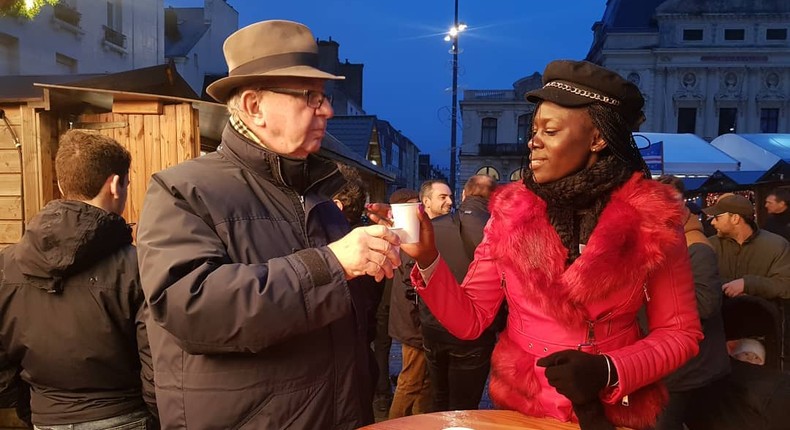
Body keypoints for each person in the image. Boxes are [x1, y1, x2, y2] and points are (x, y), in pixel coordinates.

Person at [385, 60, 703, 430]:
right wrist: (427, 259)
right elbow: (470, 321)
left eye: (549, 130)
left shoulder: (653, 217)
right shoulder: (510, 211)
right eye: (532, 129)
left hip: (612, 410)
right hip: (523, 408)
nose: (532, 141)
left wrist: (609, 369)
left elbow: (681, 333)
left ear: (597, 138)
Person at [135, 20, 400, 429]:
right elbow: (191, 308)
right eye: (310, 96)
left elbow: (339, 314)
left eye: (324, 97)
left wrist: (377, 258)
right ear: (254, 107)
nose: (326, 109)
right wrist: (332, 263)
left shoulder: (319, 196)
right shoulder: (182, 190)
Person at [0, 130, 157, 429]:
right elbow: (156, 362)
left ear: (61, 184)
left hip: (47, 419)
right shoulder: (137, 267)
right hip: (126, 416)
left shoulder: (5, 266)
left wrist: (36, 407)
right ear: (115, 185)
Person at [654, 175, 731, 430]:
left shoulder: (696, 246)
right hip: (668, 362)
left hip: (688, 367)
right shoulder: (665, 244)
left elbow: (707, 304)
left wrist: (653, 293)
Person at [421, 175, 499, 412]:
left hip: (433, 328)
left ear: (464, 195)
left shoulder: (431, 227)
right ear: (495, 200)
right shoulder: (500, 232)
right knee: (464, 407)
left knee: (438, 398)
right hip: (475, 336)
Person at [387, 188, 432, 418]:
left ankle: (419, 422)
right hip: (414, 323)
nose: (419, 210)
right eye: (415, 205)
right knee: (410, 381)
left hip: (410, 321)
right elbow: (411, 286)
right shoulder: (408, 237)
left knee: (421, 381)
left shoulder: (406, 235)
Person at [704, 193, 790, 300]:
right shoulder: (709, 245)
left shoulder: (777, 245)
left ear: (735, 218)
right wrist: (730, 286)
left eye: (717, 217)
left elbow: (785, 285)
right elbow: (701, 280)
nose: (712, 222)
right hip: (721, 314)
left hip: (763, 314)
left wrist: (748, 285)